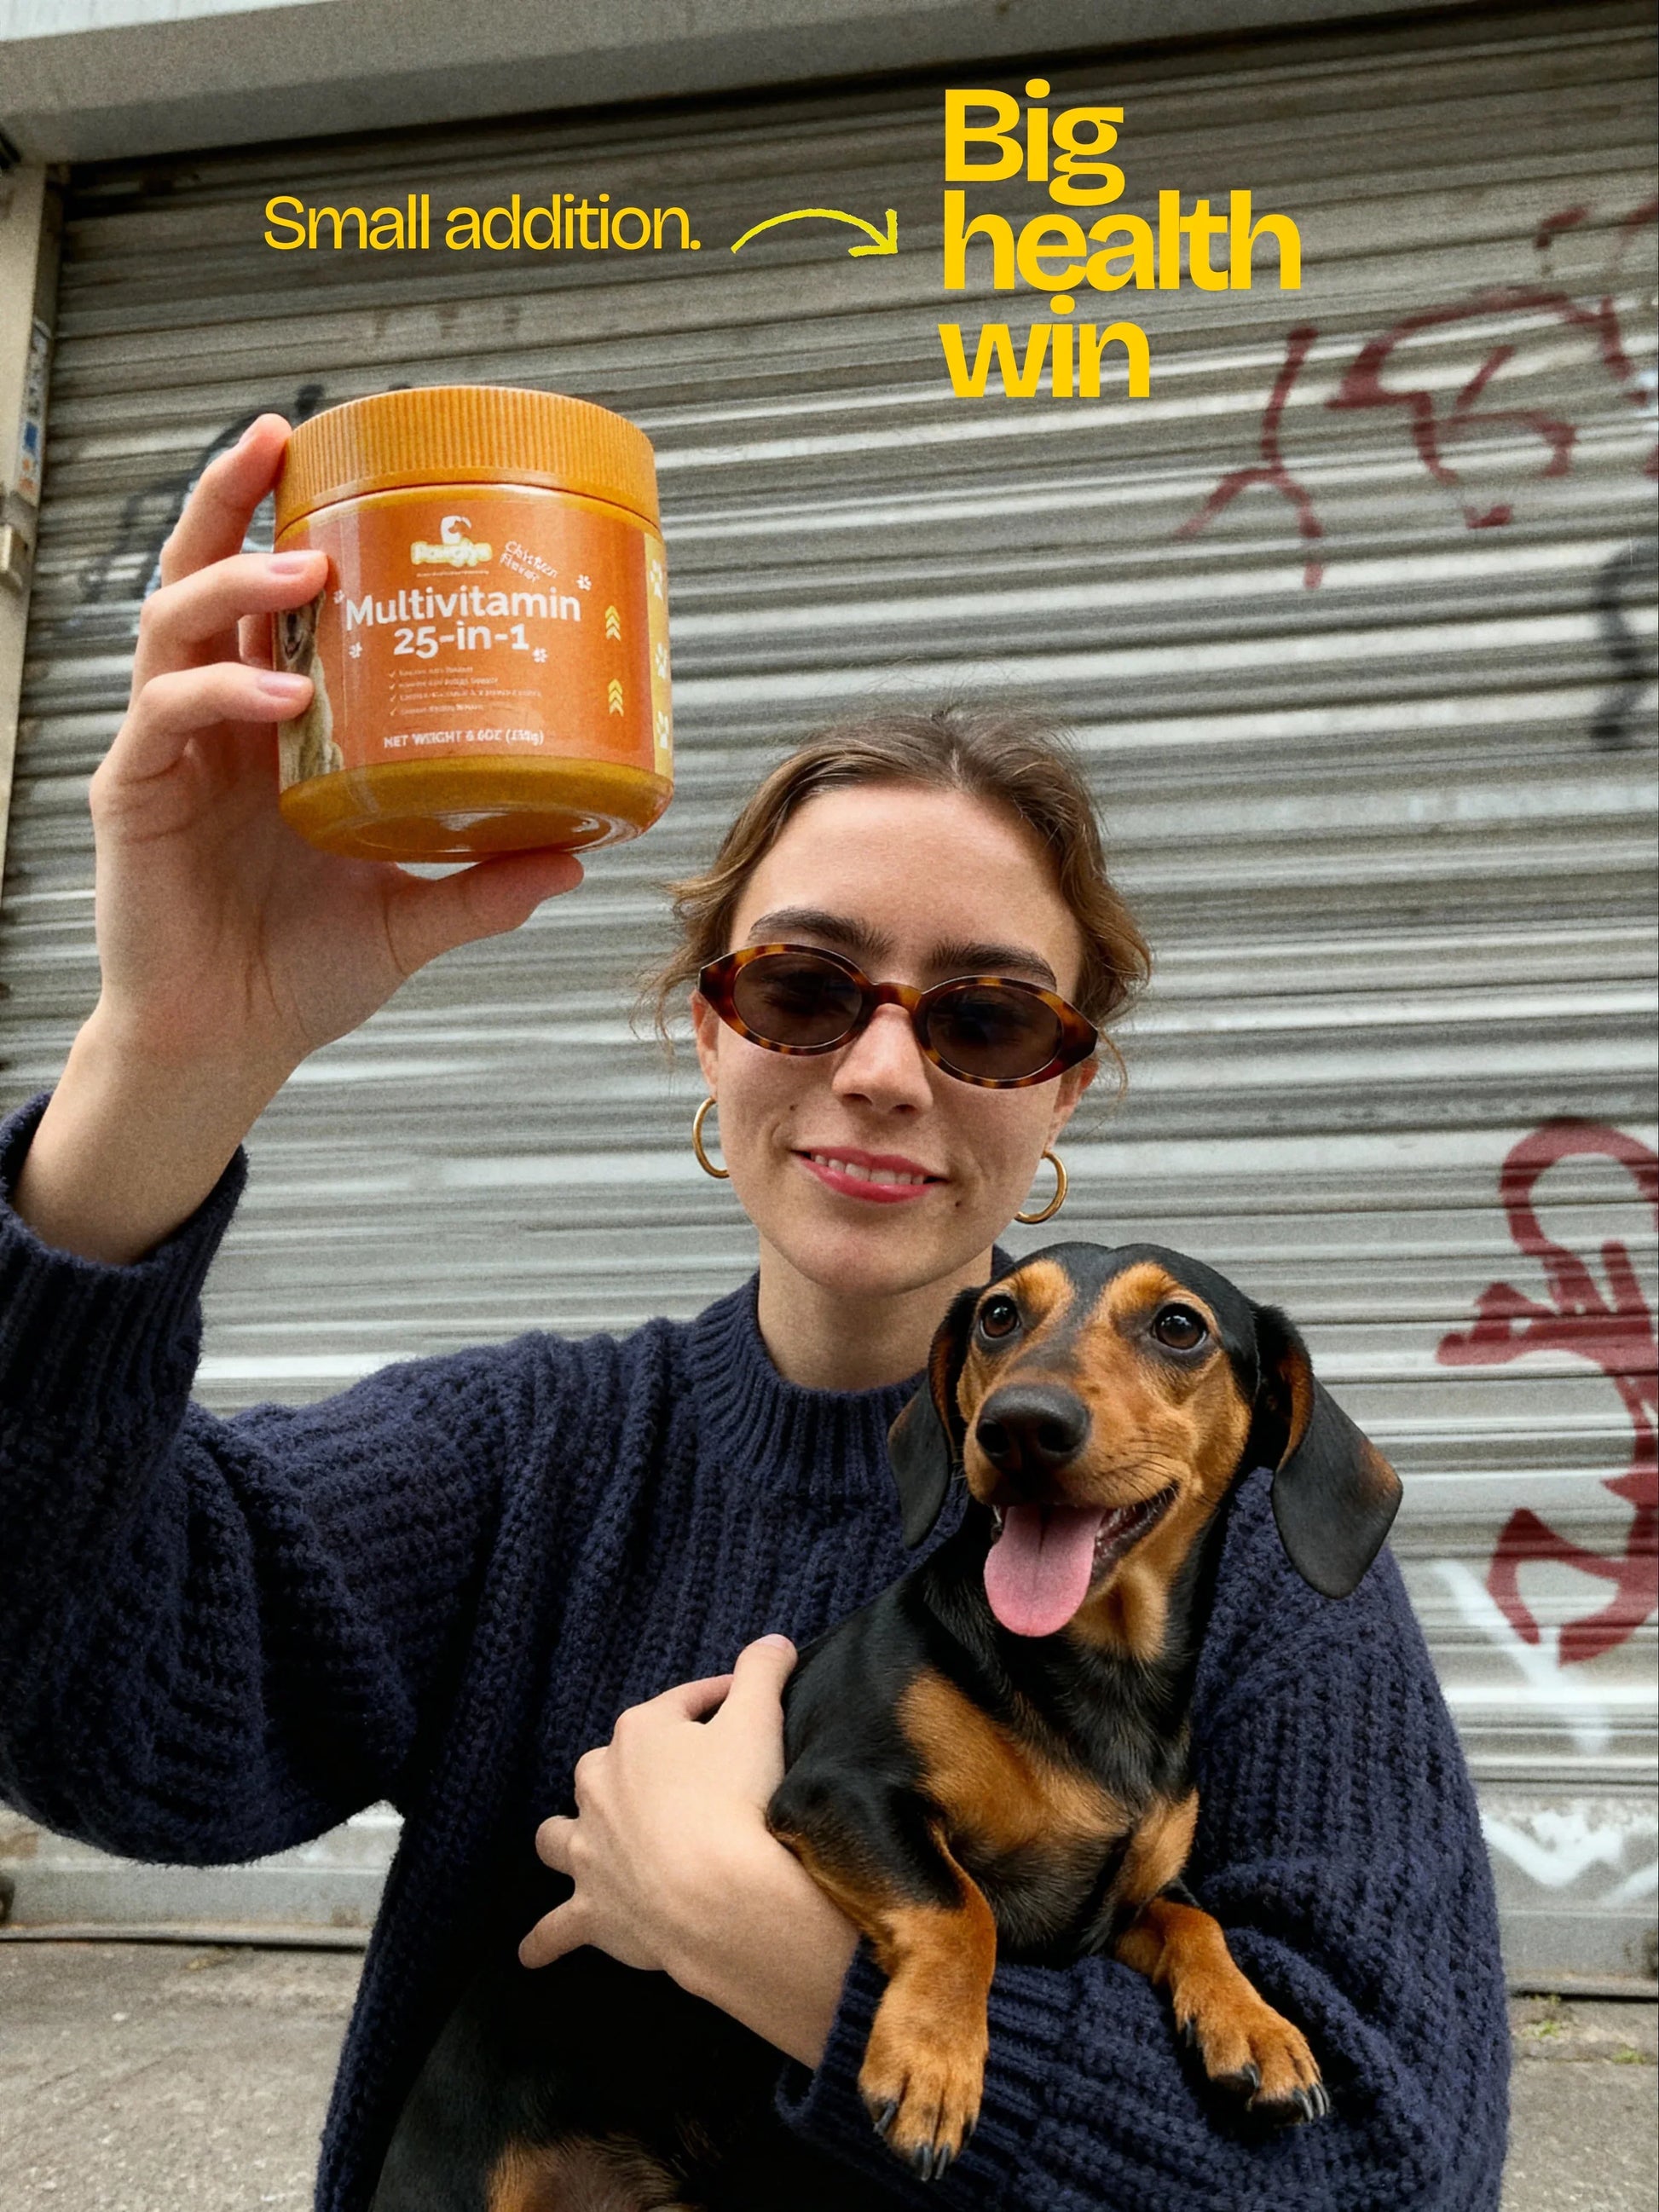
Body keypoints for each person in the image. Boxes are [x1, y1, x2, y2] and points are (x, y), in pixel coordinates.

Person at [0, 415, 1509, 2210]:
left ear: (1063, 1093)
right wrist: (166, 1062)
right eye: (804, 986)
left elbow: (1392, 2163)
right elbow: (97, 1704)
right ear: (706, 1025)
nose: (882, 1068)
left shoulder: (1239, 1540)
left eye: (985, 1018)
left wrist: (779, 1945)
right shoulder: (522, 1463)